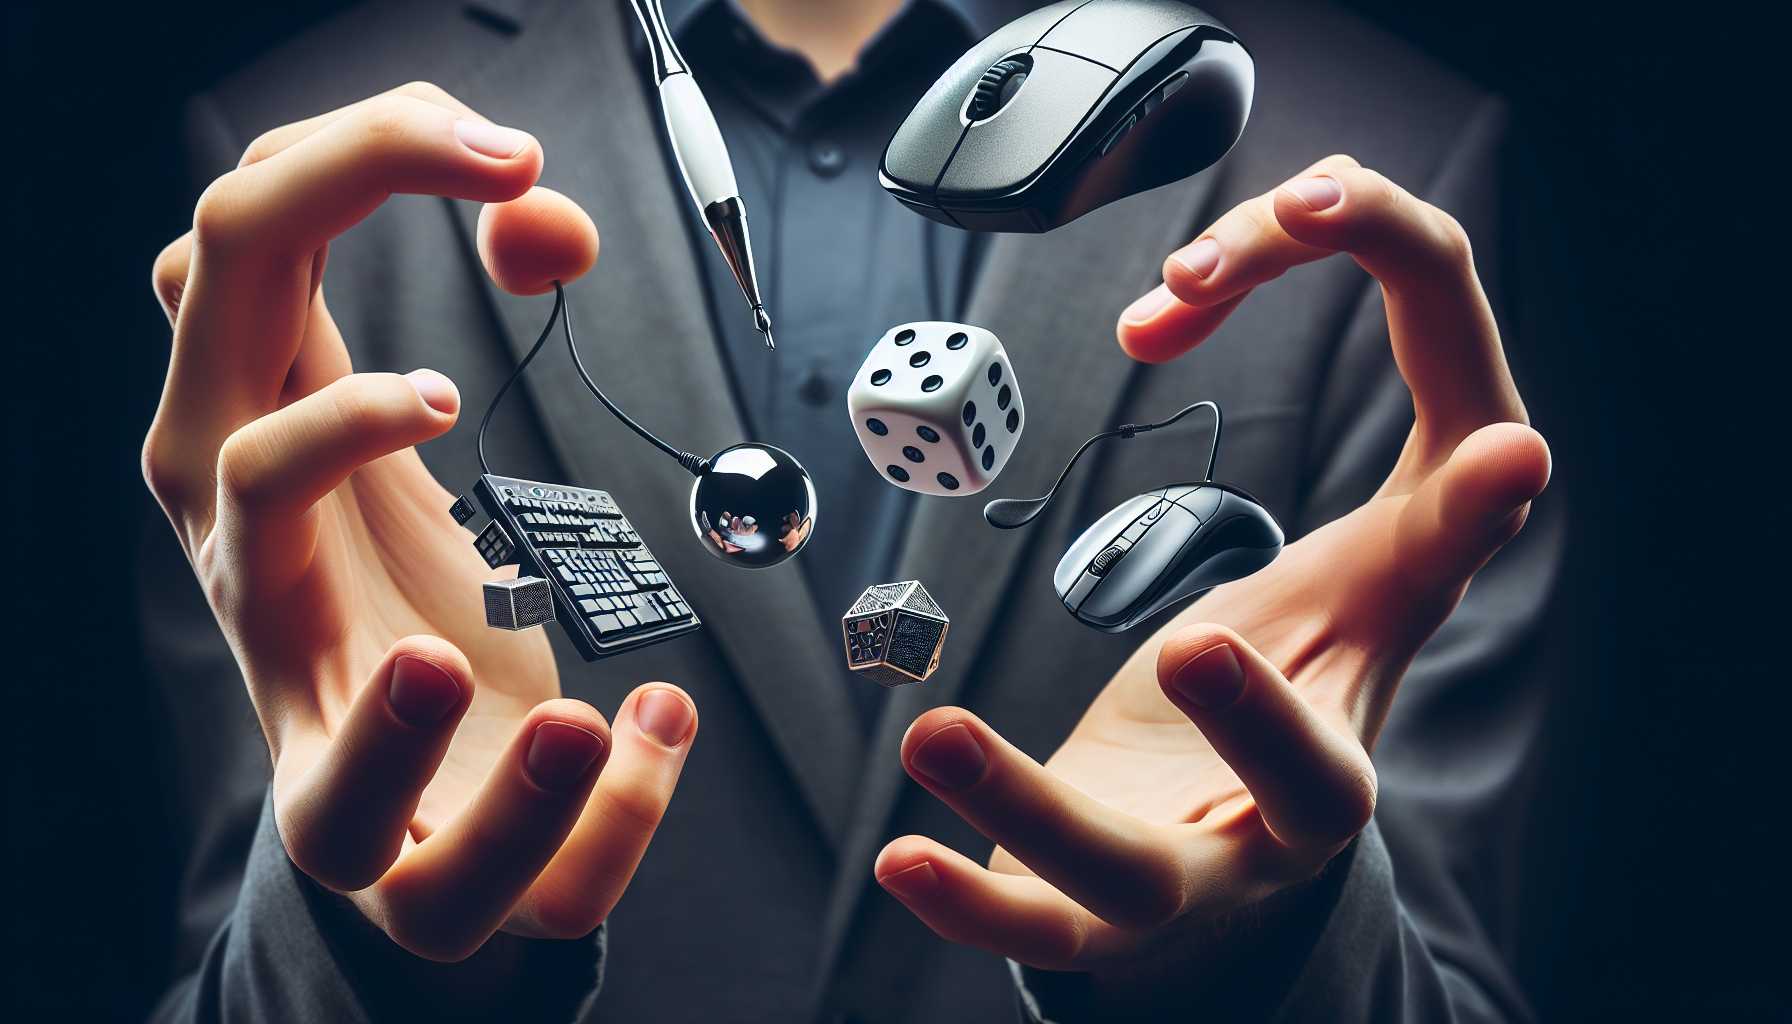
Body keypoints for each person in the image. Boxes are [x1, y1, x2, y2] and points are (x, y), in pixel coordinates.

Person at [139, 0, 1561, 1020]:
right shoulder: (293, 185)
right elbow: (223, 967)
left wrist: (1242, 956)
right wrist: (381, 951)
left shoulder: (1387, 151)